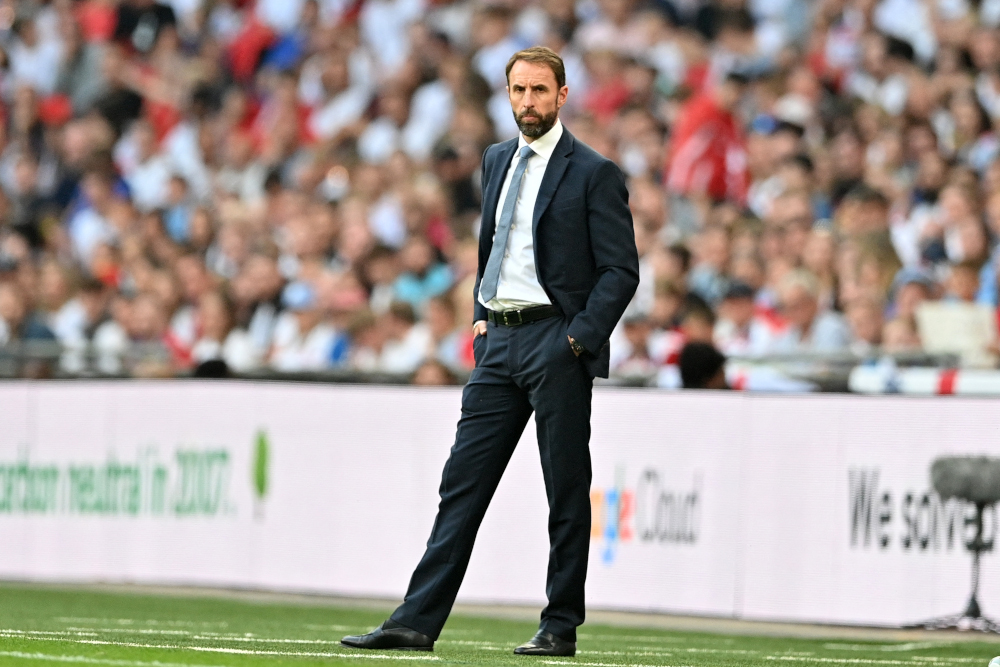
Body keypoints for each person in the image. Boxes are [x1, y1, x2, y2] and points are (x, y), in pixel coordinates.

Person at [341, 46, 639, 656]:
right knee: (462, 483)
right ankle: (416, 621)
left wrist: (578, 338)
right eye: (517, 90)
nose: (526, 101)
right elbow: (493, 246)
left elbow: (620, 270)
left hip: (556, 340)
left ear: (561, 96)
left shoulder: (593, 171)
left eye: (538, 90)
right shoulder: (496, 159)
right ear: (507, 96)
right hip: (499, 341)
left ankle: (559, 624)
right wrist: (480, 314)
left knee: (563, 487)